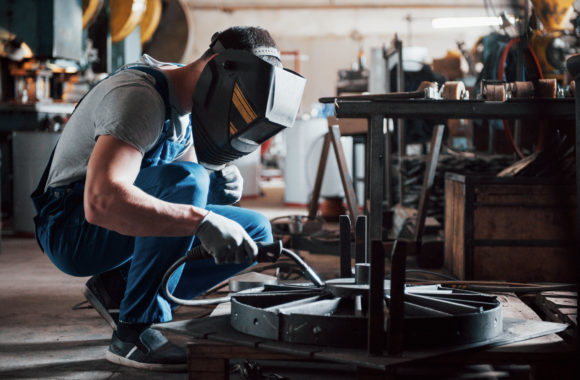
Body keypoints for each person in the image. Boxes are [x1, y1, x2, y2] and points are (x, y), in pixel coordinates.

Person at [31, 26, 305, 371]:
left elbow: (183, 178)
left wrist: (216, 183)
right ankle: (136, 332)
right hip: (71, 229)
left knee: (255, 232)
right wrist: (201, 219)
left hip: (106, 222)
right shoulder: (139, 97)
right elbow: (101, 201)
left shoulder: (186, 107)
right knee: (187, 184)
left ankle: (119, 288)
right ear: (219, 67)